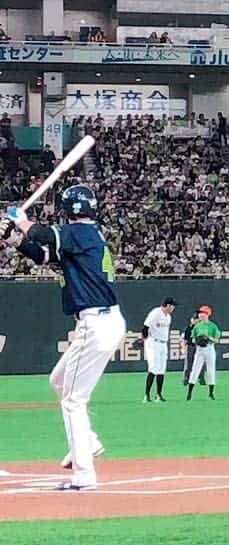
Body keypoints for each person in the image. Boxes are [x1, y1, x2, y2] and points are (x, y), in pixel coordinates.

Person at [6, 182, 125, 490]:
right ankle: (88, 441)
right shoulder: (83, 238)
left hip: (95, 322)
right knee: (58, 381)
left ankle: (84, 474)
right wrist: (14, 238)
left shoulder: (81, 233)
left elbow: (45, 235)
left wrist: (21, 218)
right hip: (104, 320)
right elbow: (43, 254)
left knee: (73, 400)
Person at [142, 295, 175, 403]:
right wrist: (145, 339)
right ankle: (147, 395)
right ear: (168, 305)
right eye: (173, 306)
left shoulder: (168, 317)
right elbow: (146, 326)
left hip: (163, 343)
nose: (173, 308)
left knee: (161, 369)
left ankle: (159, 395)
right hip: (153, 342)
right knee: (153, 368)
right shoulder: (156, 312)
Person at [186, 304, 220, 400]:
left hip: (209, 348)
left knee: (210, 371)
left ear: (208, 314)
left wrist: (208, 338)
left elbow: (217, 340)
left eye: (203, 313)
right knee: (195, 370)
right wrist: (197, 340)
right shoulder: (197, 325)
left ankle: (211, 394)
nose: (200, 315)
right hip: (199, 350)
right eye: (200, 313)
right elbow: (192, 339)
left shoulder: (213, 326)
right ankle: (189, 393)